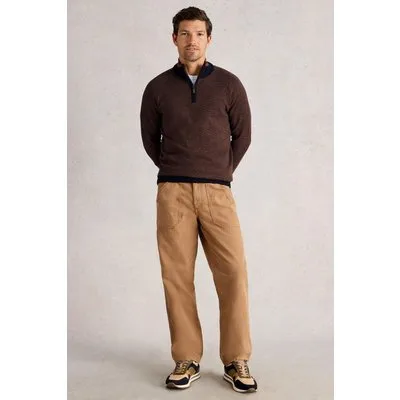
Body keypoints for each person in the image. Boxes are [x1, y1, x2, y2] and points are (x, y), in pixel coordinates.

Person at [140, 6, 257, 394]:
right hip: (173, 192)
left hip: (217, 192)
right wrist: (176, 169)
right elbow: (150, 139)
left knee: (233, 273)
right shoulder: (157, 88)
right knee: (176, 276)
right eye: (186, 34)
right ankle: (186, 358)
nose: (192, 40)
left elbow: (243, 136)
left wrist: (220, 172)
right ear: (174, 38)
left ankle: (236, 359)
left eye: (199, 34)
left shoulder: (229, 84)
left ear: (209, 39)